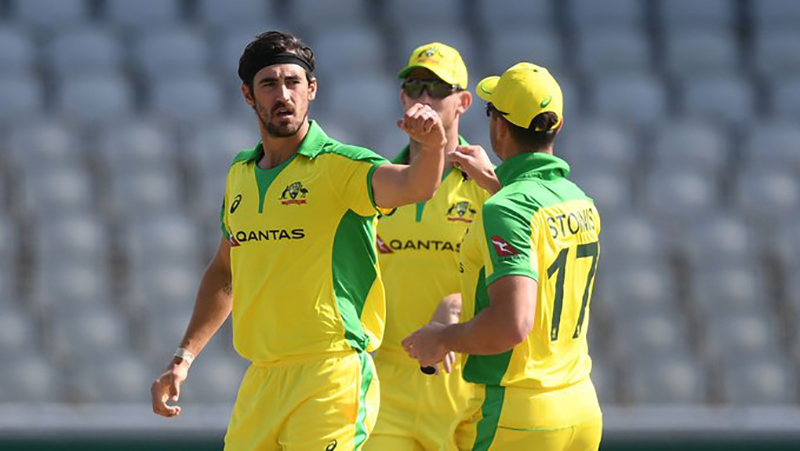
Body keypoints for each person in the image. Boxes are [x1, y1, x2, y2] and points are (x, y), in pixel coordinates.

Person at [150, 31, 449, 451]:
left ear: (312, 89)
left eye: (293, 82)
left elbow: (416, 186)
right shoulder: (240, 174)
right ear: (248, 95)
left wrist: (432, 148)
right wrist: (183, 358)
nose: (283, 95)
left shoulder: (341, 166)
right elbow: (224, 272)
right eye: (269, 84)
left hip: (330, 376)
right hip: (261, 380)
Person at [402, 62, 603, 450]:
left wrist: (442, 338)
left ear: (500, 127)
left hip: (519, 416)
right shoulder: (579, 199)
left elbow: (512, 325)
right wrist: (498, 182)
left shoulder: (506, 208)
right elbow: (534, 229)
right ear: (557, 126)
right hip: (580, 407)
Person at [364, 43, 490, 451]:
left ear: (463, 102)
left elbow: (524, 281)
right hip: (388, 382)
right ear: (402, 98)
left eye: (437, 88)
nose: (424, 97)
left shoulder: (487, 187)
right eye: (415, 86)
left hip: (467, 378)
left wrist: (457, 303)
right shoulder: (379, 183)